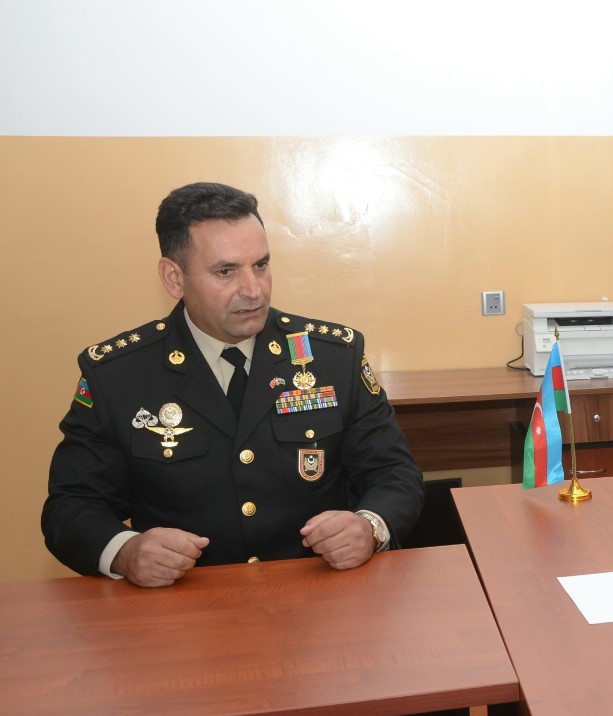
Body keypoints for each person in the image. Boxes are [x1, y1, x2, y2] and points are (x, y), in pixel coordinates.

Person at [43, 182, 424, 587]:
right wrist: (124, 551)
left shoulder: (332, 357)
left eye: (260, 265)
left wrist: (369, 526)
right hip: (186, 604)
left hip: (317, 593)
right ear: (174, 278)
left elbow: (393, 472)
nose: (253, 290)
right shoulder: (118, 375)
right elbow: (71, 506)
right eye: (226, 271)